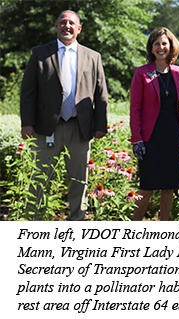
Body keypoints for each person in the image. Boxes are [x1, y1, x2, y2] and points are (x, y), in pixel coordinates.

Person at [20, 10, 108, 220]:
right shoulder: (40, 53)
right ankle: (33, 224)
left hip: (80, 128)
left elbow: (101, 93)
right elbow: (28, 91)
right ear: (56, 26)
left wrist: (101, 124)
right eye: (62, 22)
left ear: (79, 29)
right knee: (40, 180)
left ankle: (76, 223)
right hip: (45, 128)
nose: (66, 26)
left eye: (71, 23)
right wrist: (27, 123)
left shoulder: (93, 56)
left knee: (79, 181)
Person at [129, 27, 179, 221]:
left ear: (171, 46)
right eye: (157, 44)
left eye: (164, 43)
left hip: (172, 137)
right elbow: (134, 109)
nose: (161, 47)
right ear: (151, 48)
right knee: (147, 187)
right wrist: (137, 139)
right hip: (150, 138)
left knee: (169, 186)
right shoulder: (142, 73)